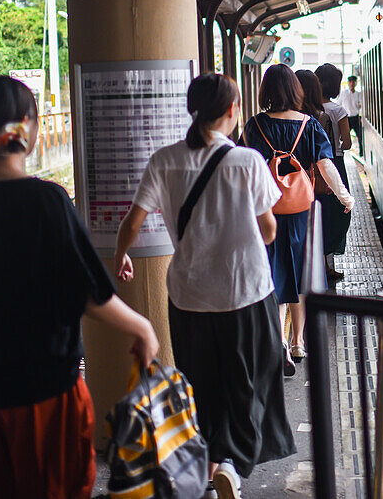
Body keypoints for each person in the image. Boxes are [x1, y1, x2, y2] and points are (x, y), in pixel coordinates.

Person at [0, 75, 159, 499]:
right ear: (23, 128)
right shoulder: (48, 203)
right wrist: (142, 329)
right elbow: (90, 294)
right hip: (44, 393)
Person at [113, 73, 293, 497]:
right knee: (253, 376)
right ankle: (232, 462)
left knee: (201, 384)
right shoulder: (246, 161)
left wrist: (121, 255)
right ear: (232, 111)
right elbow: (268, 230)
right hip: (246, 292)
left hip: (190, 297)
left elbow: (133, 221)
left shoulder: (165, 160)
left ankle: (212, 468)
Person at [242, 65, 354, 368]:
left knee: (274, 273)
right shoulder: (308, 124)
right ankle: (298, 343)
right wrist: (345, 197)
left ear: (265, 91)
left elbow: (245, 166)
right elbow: (326, 166)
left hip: (266, 211)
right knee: (302, 274)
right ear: (295, 90)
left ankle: (277, 340)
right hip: (301, 209)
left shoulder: (254, 126)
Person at [296, 69, 343, 283]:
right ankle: (321, 268)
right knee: (324, 223)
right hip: (319, 182)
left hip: (290, 191)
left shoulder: (262, 123)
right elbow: (330, 154)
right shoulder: (319, 118)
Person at [315, 63, 353, 279]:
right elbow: (347, 144)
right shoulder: (338, 110)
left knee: (320, 214)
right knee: (339, 214)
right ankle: (328, 263)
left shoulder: (308, 110)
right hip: (336, 165)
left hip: (315, 166)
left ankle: (320, 264)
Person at [341, 74, 364, 155]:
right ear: (348, 83)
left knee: (361, 136)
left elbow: (361, 105)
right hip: (347, 118)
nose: (352, 83)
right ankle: (341, 152)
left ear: (355, 83)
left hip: (356, 118)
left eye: (353, 82)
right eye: (350, 82)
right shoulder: (343, 93)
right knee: (343, 136)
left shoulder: (358, 94)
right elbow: (339, 104)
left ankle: (362, 153)